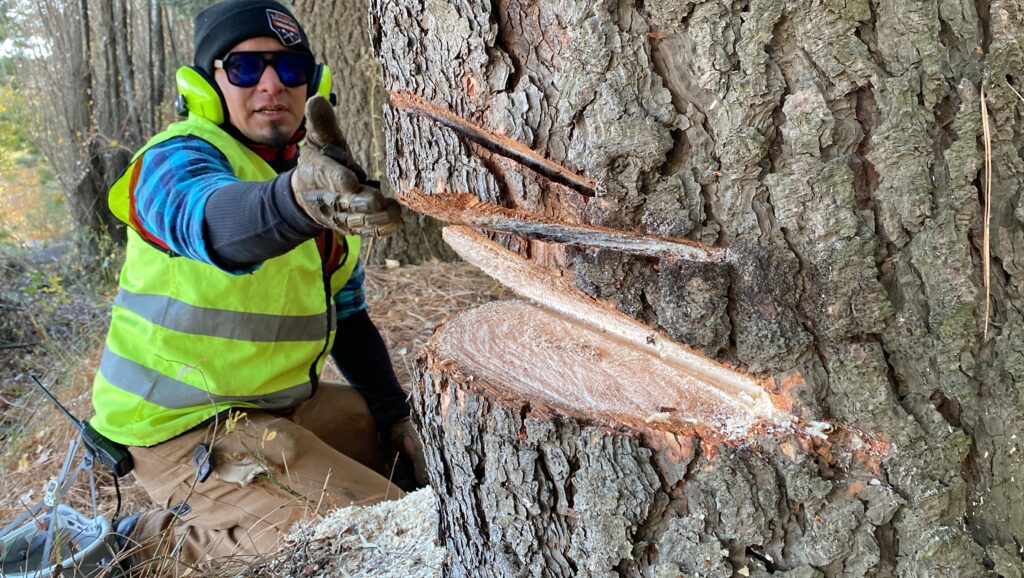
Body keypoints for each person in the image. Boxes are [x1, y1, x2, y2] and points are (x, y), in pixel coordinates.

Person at [88, 0, 426, 569]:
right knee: (378, 534)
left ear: (313, 83)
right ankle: (145, 547)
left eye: (290, 68)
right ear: (208, 84)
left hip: (281, 408)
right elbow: (211, 222)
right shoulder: (171, 161)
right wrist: (296, 202)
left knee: (425, 458)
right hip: (179, 431)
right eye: (245, 68)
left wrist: (396, 417)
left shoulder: (324, 186)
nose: (272, 85)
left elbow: (349, 317)